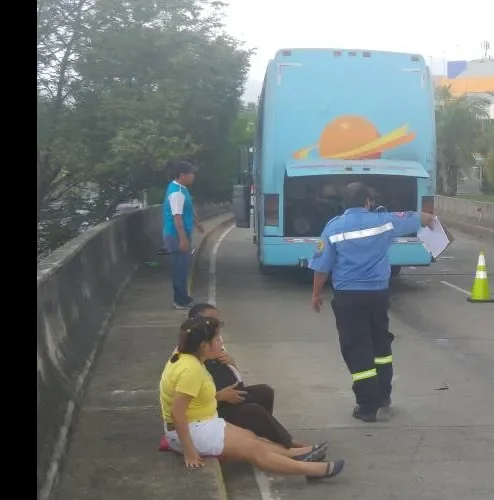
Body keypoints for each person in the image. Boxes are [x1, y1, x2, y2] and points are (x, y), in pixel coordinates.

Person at [159, 316, 345, 479]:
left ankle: (295, 453)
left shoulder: (186, 357)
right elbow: (177, 413)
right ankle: (313, 470)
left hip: (203, 422)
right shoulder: (190, 370)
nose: (221, 342)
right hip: (194, 430)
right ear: (204, 346)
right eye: (217, 338)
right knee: (254, 450)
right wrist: (190, 452)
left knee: (252, 437)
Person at [309, 182, 434, 422]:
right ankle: (383, 395)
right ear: (368, 201)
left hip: (348, 298)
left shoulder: (333, 228)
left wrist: (316, 295)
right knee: (380, 345)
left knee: (357, 348)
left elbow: (322, 267)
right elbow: (423, 218)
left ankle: (366, 407)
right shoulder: (385, 221)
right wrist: (431, 222)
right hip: (378, 296)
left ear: (344, 203)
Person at [187, 303, 315, 450]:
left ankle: (266, 438)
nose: (218, 328)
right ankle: (289, 445)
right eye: (213, 323)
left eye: (219, 323)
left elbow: (236, 378)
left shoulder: (211, 341)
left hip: (227, 395)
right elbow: (188, 401)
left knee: (264, 392)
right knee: (253, 411)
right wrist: (218, 396)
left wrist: (231, 363)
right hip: (211, 408)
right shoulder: (190, 358)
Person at [163, 160, 204, 310]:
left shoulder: (182, 189)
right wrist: (183, 239)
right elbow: (177, 218)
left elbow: (188, 209)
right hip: (175, 235)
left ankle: (183, 297)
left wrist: (196, 222)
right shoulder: (176, 193)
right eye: (191, 173)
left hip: (181, 233)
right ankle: (180, 300)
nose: (193, 176)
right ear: (182, 175)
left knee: (183, 267)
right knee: (179, 268)